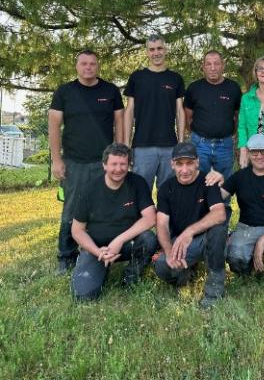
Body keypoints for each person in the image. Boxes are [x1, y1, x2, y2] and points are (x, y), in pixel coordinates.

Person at [48, 49, 124, 274]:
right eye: (84, 63)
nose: (88, 67)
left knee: (103, 209)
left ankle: (99, 251)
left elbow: (119, 123)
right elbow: (54, 126)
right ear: (77, 66)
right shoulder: (65, 92)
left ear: (97, 66)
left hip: (105, 163)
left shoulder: (110, 91)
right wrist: (56, 160)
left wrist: (121, 156)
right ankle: (66, 256)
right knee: (72, 210)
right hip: (75, 162)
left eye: (92, 64)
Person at [71, 143, 157, 301]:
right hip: (96, 248)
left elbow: (150, 217)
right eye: (114, 164)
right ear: (104, 165)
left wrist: (119, 240)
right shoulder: (89, 189)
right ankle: (95, 264)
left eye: (123, 164)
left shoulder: (137, 183)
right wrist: (98, 253)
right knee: (84, 296)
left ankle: (130, 277)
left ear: (129, 165)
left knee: (149, 239)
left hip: (126, 245)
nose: (119, 169)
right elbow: (77, 230)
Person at [207, 134, 264, 280]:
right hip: (247, 227)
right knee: (236, 256)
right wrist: (215, 180)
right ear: (248, 153)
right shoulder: (240, 176)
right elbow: (216, 197)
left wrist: (262, 241)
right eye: (254, 152)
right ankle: (246, 270)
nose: (259, 156)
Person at [154, 142, 227, 308]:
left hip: (205, 239)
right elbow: (162, 225)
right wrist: (168, 251)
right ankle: (186, 273)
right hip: (180, 243)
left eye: (189, 163)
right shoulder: (166, 188)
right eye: (179, 164)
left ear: (197, 162)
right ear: (172, 164)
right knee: (162, 267)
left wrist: (190, 231)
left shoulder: (208, 182)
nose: (184, 170)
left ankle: (214, 290)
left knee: (219, 228)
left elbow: (219, 213)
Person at [124, 34, 185, 190]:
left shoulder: (175, 78)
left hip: (169, 146)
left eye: (159, 48)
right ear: (147, 52)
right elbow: (129, 111)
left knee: (168, 194)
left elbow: (180, 111)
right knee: (141, 193)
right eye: (152, 49)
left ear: (165, 50)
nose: (156, 53)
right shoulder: (137, 77)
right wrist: (126, 144)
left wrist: (181, 143)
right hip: (142, 146)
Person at [184, 50, 241, 179]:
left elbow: (237, 116)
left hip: (225, 145)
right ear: (203, 67)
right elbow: (188, 117)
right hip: (199, 145)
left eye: (216, 64)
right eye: (208, 64)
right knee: (199, 184)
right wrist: (196, 136)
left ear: (223, 65)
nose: (213, 68)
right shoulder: (194, 88)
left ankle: (221, 201)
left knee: (224, 185)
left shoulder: (233, 88)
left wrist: (230, 133)